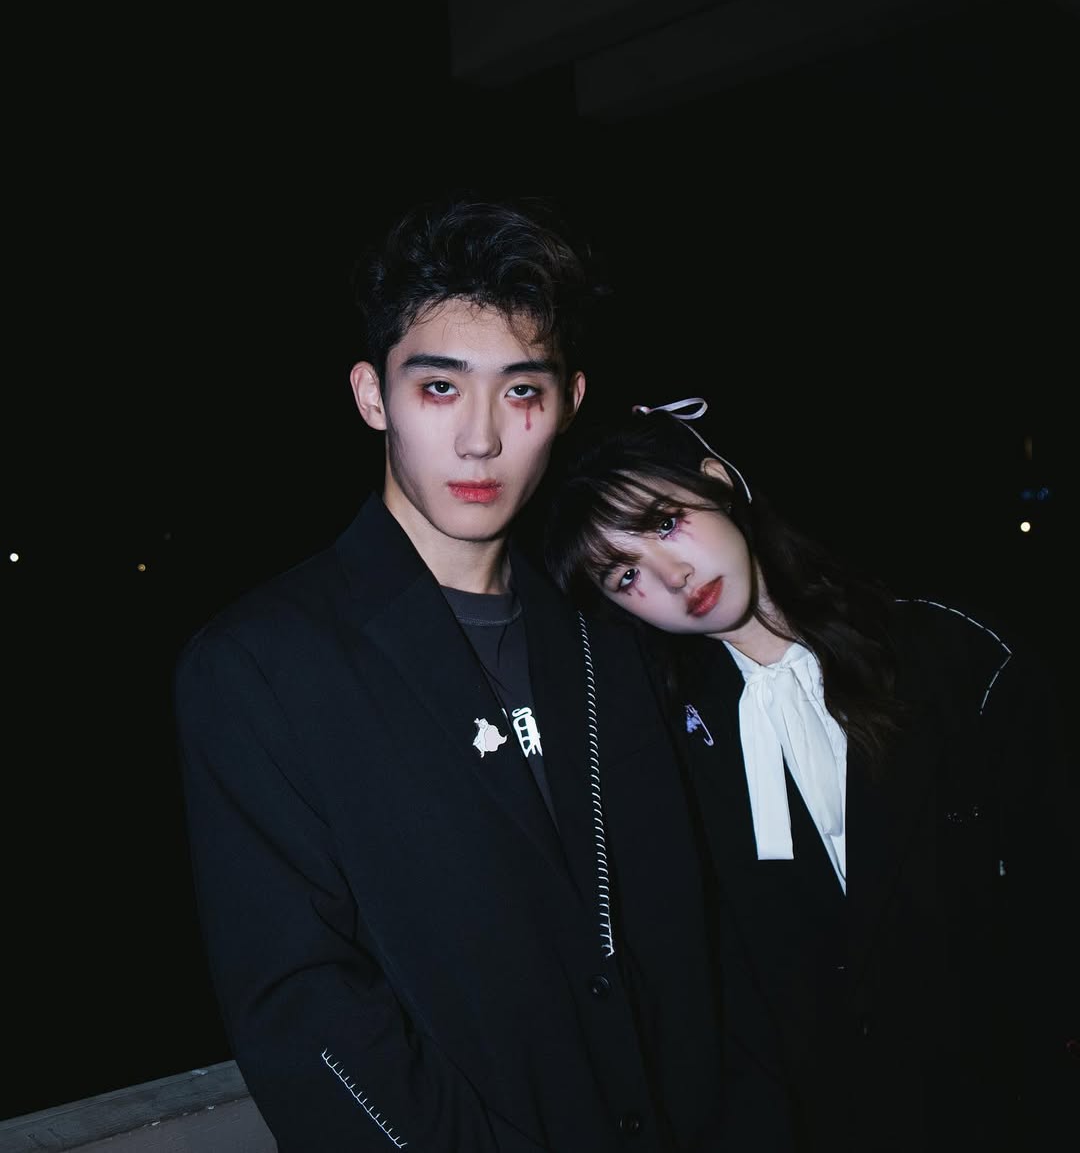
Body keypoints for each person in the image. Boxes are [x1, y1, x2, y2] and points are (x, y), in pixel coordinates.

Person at [172, 201, 726, 1152]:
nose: (480, 439)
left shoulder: (610, 632)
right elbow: (301, 1009)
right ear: (371, 395)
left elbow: (687, 933)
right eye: (439, 387)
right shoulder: (261, 664)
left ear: (569, 402)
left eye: (521, 391)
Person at [542, 398, 1078, 1153]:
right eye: (625, 574)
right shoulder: (661, 754)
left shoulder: (953, 655)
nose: (671, 574)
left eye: (664, 521)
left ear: (717, 479)